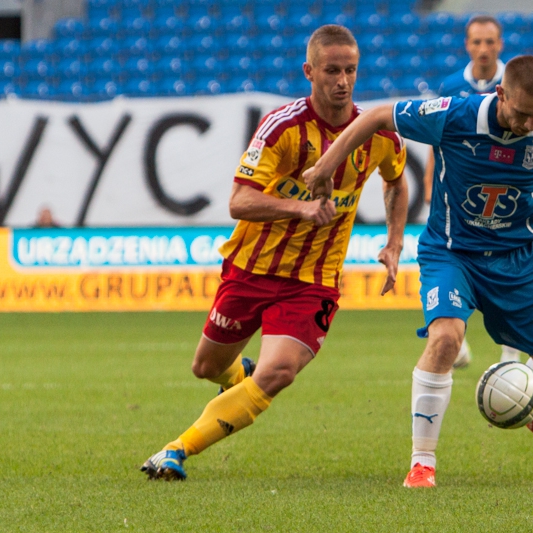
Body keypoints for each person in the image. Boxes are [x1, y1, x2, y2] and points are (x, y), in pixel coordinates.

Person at [304, 55, 533, 488]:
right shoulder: (454, 115)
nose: (529, 125)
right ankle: (422, 463)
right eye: (522, 113)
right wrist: (325, 166)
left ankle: (522, 386)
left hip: (516, 260)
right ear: (500, 94)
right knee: (446, 338)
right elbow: (376, 117)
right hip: (452, 253)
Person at [141, 24, 408, 480]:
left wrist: (394, 243)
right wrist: (301, 209)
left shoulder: (378, 135)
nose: (342, 81)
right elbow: (238, 201)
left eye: (350, 70)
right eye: (332, 70)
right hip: (252, 268)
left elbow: (396, 182)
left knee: (279, 372)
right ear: (309, 71)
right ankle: (237, 376)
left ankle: (175, 450)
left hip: (314, 280)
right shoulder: (283, 128)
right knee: (206, 367)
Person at [423, 14, 518, 368]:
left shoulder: (515, 82)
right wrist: (430, 185)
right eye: (477, 41)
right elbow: (437, 139)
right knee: (451, 260)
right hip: (457, 195)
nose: (483, 48)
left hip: (504, 193)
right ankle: (452, 337)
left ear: (500, 44)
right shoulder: (450, 86)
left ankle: (510, 353)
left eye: (489, 41)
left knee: (509, 267)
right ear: (467, 45)